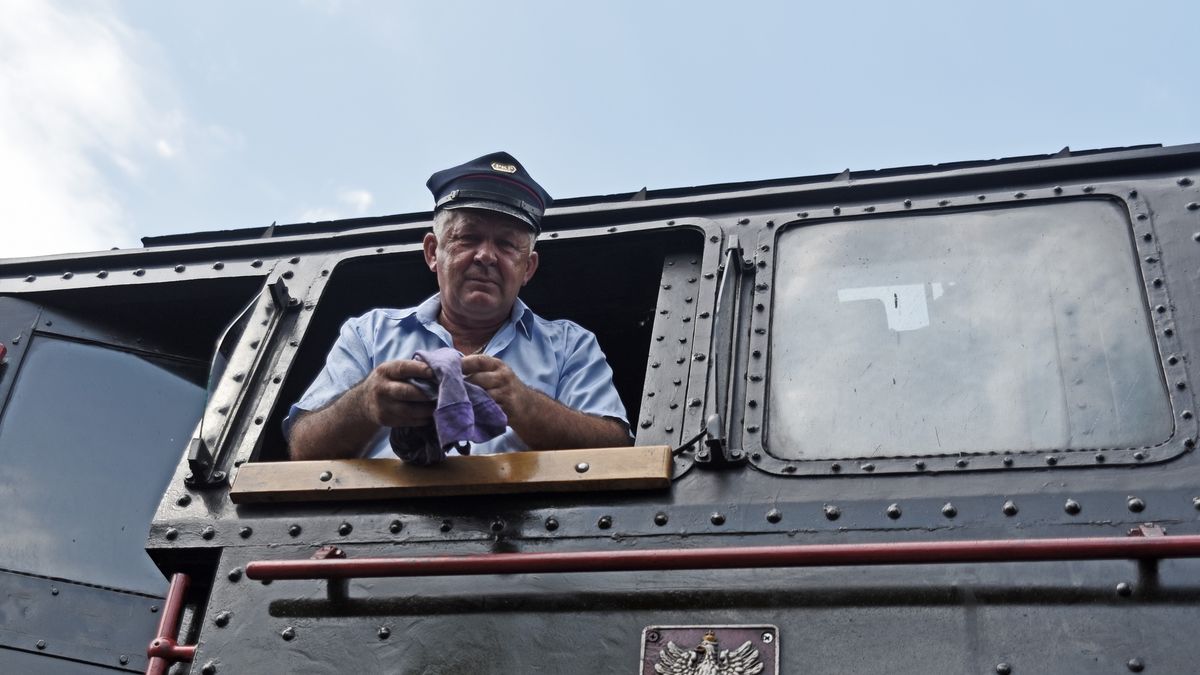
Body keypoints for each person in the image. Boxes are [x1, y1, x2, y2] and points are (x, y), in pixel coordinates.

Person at [285, 151, 632, 461]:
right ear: (433, 252)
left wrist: (525, 405)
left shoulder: (571, 345)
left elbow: (616, 449)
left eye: (508, 245)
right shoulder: (368, 333)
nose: (486, 256)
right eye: (468, 237)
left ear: (528, 268)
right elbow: (303, 447)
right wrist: (365, 404)